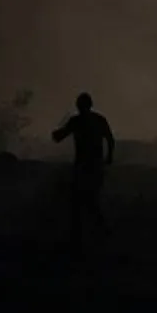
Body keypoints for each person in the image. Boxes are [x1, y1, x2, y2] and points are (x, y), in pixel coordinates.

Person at [52, 92, 116, 248]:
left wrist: (56, 133)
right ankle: (97, 231)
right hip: (94, 165)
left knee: (81, 200)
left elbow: (58, 138)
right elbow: (110, 139)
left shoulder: (76, 121)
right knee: (90, 199)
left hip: (84, 166)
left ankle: (87, 234)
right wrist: (109, 157)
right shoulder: (98, 120)